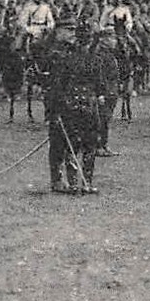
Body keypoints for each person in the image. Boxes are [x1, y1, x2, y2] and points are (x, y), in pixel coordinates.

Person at [46, 22, 110, 194]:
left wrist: (55, 109)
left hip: (71, 104)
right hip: (89, 105)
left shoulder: (66, 59)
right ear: (90, 41)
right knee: (90, 144)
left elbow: (59, 86)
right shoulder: (96, 60)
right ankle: (86, 182)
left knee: (72, 143)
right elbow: (101, 87)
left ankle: (74, 183)